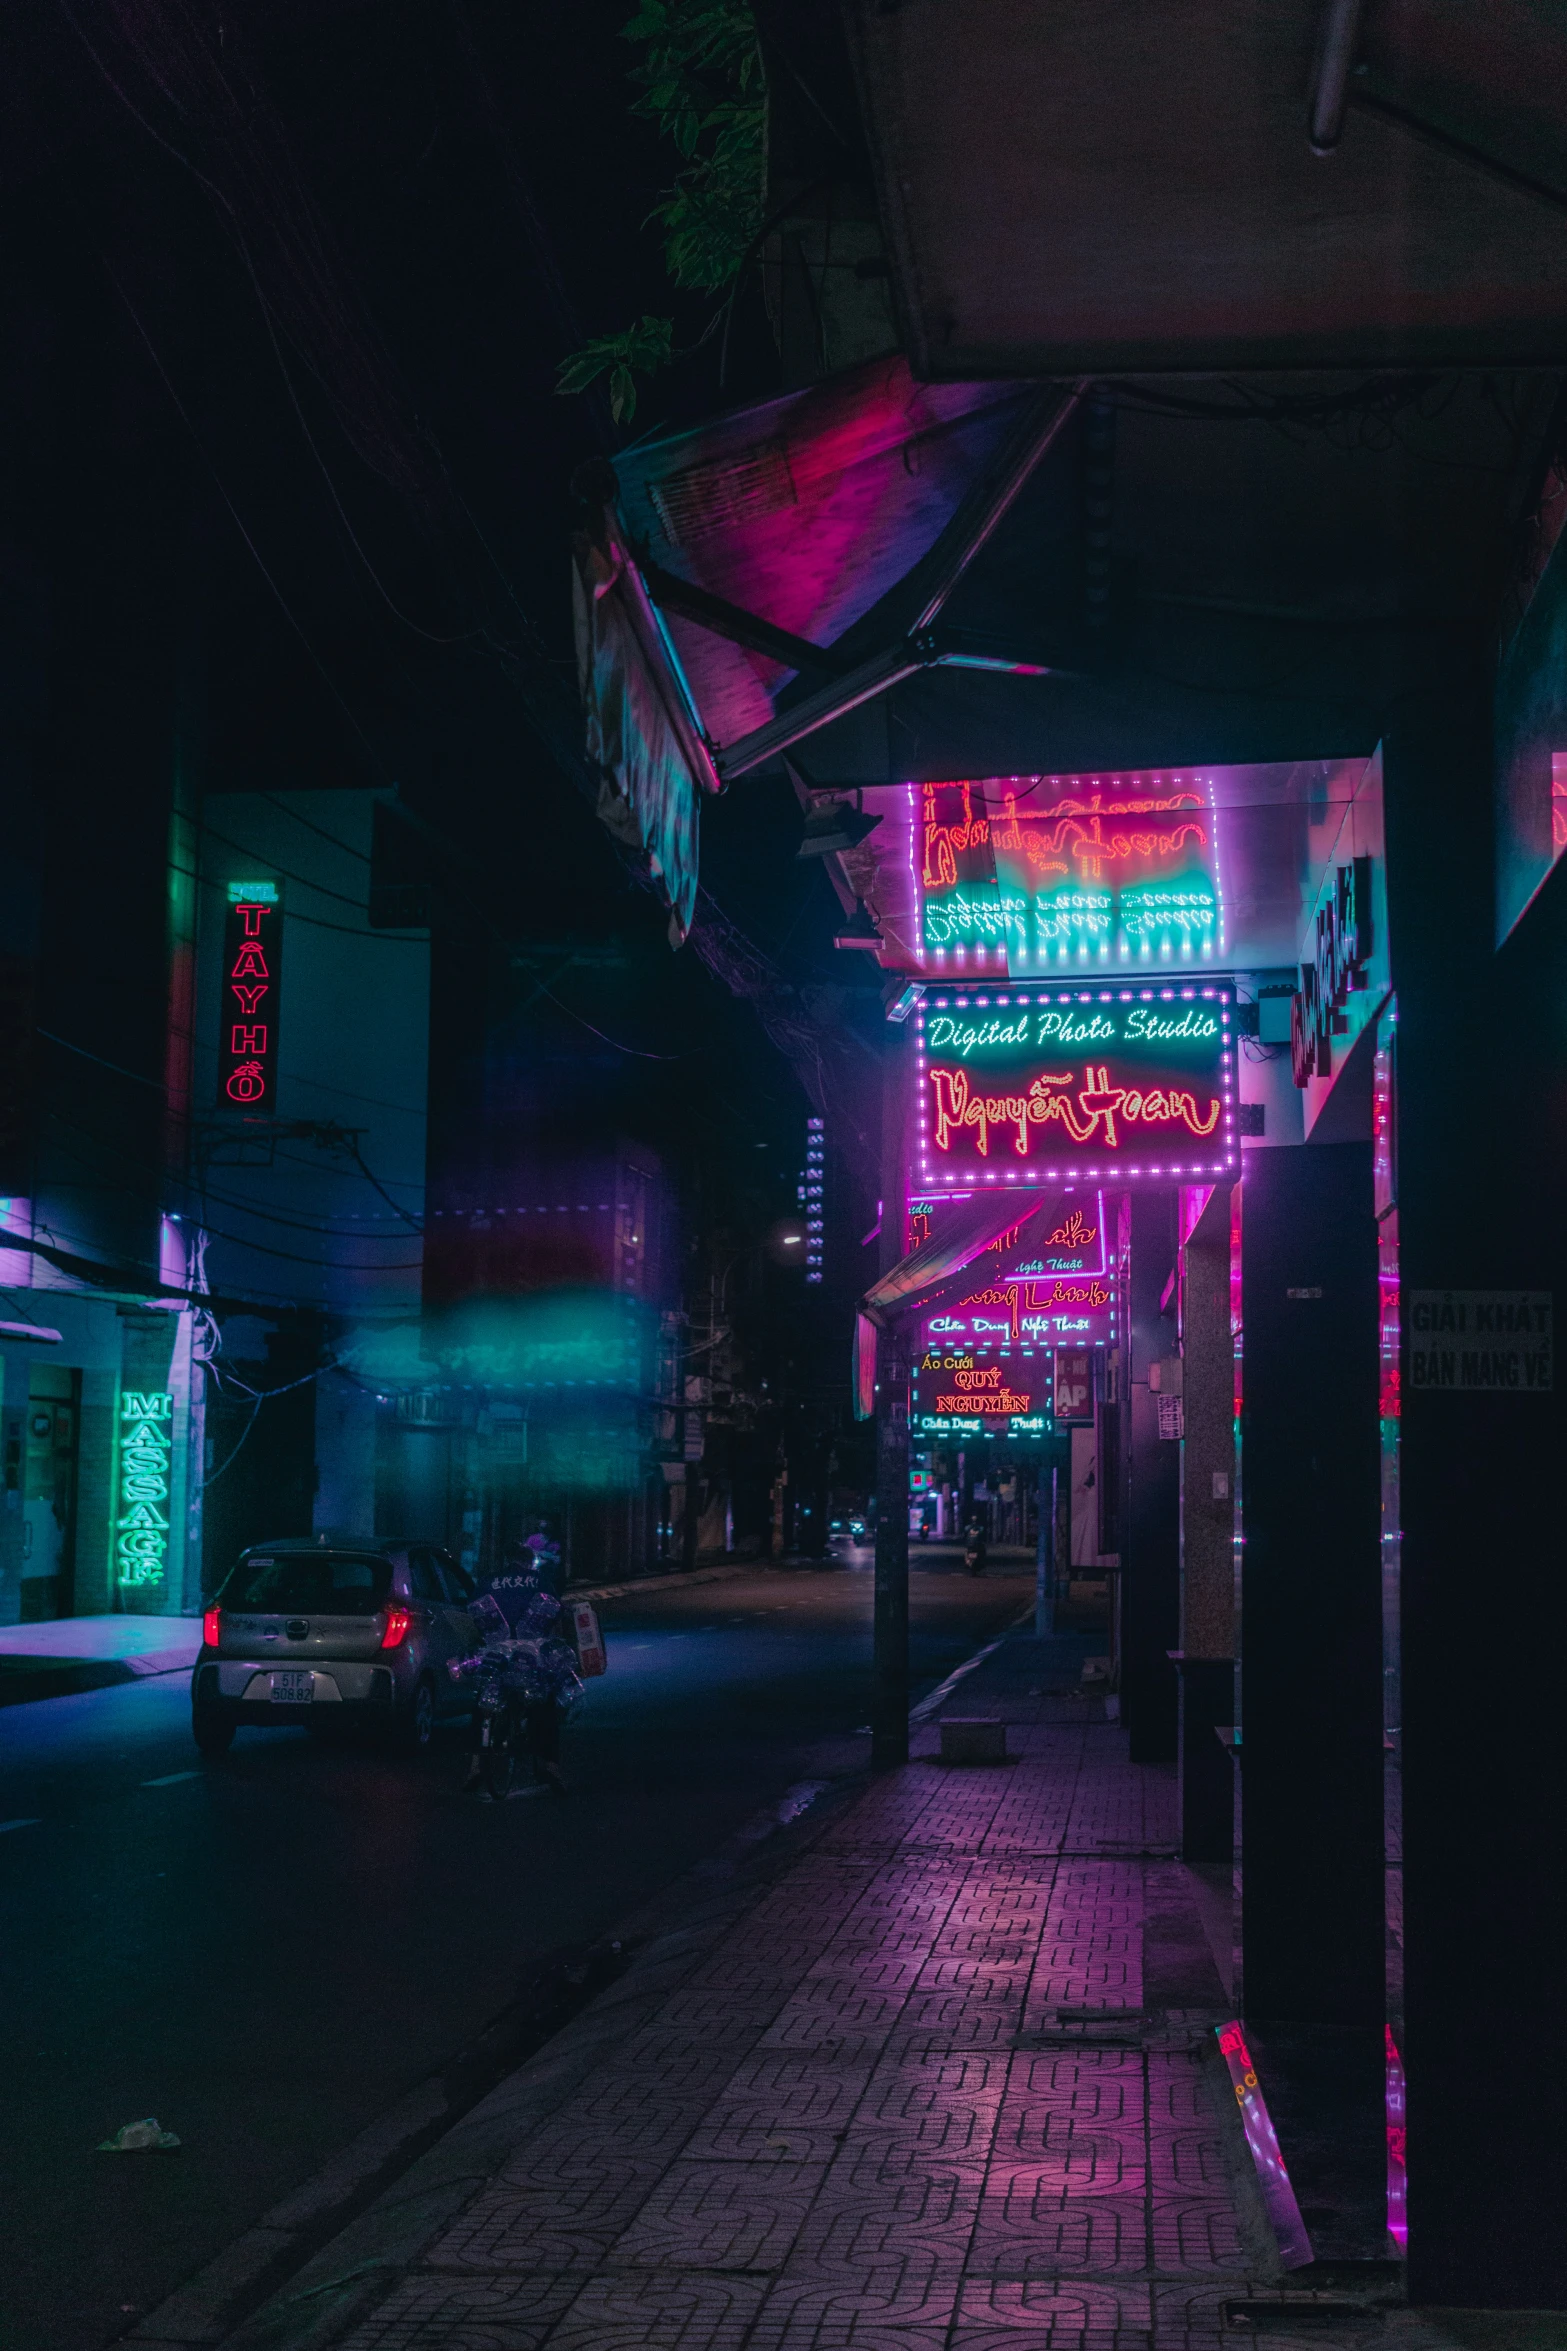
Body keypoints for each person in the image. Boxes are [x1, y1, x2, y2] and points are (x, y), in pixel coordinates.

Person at [455, 1542, 580, 1795]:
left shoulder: (489, 1581)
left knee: (483, 1704)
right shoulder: (540, 1580)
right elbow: (554, 1615)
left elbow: (473, 1617)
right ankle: (550, 1766)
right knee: (544, 1704)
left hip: (496, 1654)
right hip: (531, 1656)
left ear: (507, 1561)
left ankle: (476, 1766)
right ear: (529, 1561)